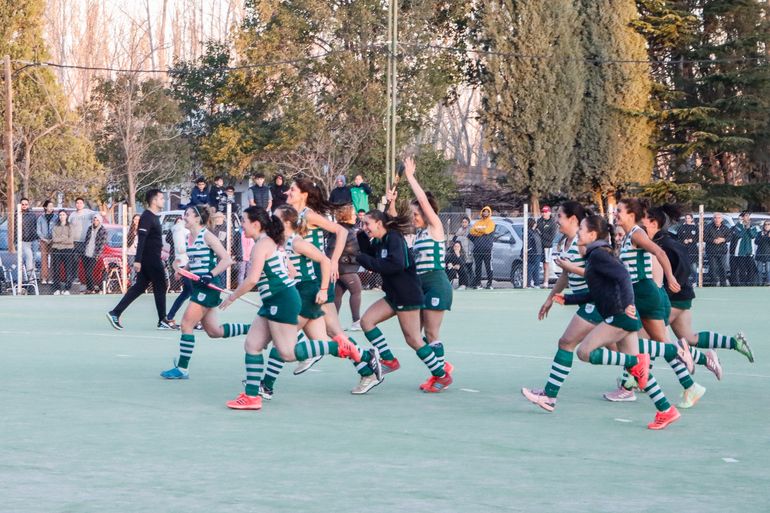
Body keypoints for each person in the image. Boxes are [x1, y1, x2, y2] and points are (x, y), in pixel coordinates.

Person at [219, 207, 365, 410]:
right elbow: (290, 270)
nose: (241, 225)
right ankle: (252, 396)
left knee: (286, 353)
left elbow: (252, 279)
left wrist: (232, 296)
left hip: (281, 300)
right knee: (252, 345)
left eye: (243, 220)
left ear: (256, 224)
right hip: (275, 299)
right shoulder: (272, 243)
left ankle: (338, 347)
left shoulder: (262, 245)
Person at [557, 215, 681, 430]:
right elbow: (596, 293)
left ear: (593, 235)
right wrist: (567, 299)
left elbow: (624, 276)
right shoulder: (596, 255)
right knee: (640, 373)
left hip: (620, 315)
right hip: (623, 315)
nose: (578, 233)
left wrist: (629, 305)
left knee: (584, 352)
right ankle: (666, 410)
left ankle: (643, 361)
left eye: (582, 230)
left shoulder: (598, 255)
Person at [643, 205, 754, 399]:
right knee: (689, 337)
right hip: (680, 296)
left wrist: (670, 285)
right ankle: (734, 343)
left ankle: (636, 380)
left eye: (642, 219)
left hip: (675, 297)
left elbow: (684, 267)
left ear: (654, 223)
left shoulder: (665, 244)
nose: (638, 223)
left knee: (651, 336)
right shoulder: (660, 241)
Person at [355, 209, 453, 394]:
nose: (365, 227)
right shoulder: (379, 240)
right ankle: (389, 360)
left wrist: (363, 259)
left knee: (414, 339)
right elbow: (369, 253)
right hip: (393, 295)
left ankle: (441, 375)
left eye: (367, 224)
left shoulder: (394, 238)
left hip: (407, 294)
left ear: (379, 223)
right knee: (366, 322)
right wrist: (360, 236)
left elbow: (395, 264)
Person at [604, 197, 683, 401]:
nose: (615, 213)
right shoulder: (629, 235)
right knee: (652, 343)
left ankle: (628, 387)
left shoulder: (637, 234)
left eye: (619, 210)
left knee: (632, 340)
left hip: (642, 292)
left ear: (631, 215)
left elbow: (659, 251)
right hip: (636, 293)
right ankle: (689, 383)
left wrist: (670, 276)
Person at [159, 205, 246, 379]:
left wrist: (210, 274)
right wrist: (183, 269)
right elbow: (195, 259)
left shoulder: (207, 235)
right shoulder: (190, 237)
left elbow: (227, 259)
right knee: (214, 331)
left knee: (186, 324)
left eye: (188, 214)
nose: (184, 216)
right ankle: (254, 329)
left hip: (208, 286)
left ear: (198, 218)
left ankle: (182, 369)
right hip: (199, 285)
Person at [401, 156, 454, 390]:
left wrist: (410, 177)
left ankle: (441, 376)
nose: (414, 217)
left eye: (416, 213)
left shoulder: (435, 227)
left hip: (436, 283)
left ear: (426, 212)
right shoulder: (421, 234)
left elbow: (422, 200)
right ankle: (441, 366)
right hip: (420, 285)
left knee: (432, 334)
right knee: (416, 336)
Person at [107, 189, 174, 330]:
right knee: (160, 285)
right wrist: (138, 260)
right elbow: (142, 238)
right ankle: (162, 319)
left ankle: (115, 313)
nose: (164, 200)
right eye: (161, 198)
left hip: (151, 257)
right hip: (150, 259)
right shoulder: (147, 217)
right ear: (154, 201)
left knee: (140, 287)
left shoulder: (154, 217)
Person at [332, 203, 364, 331]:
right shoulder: (343, 230)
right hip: (346, 268)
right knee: (356, 291)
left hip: (343, 267)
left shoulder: (347, 229)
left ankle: (333, 323)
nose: (355, 215)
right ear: (346, 215)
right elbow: (338, 249)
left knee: (337, 295)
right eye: (352, 213)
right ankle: (356, 321)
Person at [165, 217, 192, 329]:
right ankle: (194, 321)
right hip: (184, 263)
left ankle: (169, 317)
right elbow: (181, 248)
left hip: (186, 263)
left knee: (186, 293)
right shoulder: (180, 230)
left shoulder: (184, 230)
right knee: (193, 292)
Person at [68, 197, 96, 284]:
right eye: (77, 203)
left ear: (83, 204)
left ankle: (87, 281)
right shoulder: (72, 215)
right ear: (75, 204)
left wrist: (101, 213)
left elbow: (96, 215)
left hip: (85, 242)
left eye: (80, 203)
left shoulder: (88, 212)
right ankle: (75, 278)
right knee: (75, 260)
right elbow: (68, 226)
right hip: (75, 242)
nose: (79, 204)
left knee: (85, 262)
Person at [731, 211, 760, 286]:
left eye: (748, 216)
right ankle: (742, 284)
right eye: (746, 216)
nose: (748, 217)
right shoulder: (737, 226)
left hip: (749, 252)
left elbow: (753, 236)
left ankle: (749, 284)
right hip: (740, 252)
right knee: (742, 270)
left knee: (751, 270)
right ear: (742, 217)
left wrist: (749, 228)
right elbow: (738, 235)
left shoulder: (753, 226)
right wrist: (745, 228)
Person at [469, 206, 495, 289]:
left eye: (487, 212)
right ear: (482, 212)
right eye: (484, 211)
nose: (485, 213)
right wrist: (481, 230)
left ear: (489, 213)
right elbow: (472, 231)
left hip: (487, 249)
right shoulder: (478, 222)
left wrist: (478, 230)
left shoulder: (491, 222)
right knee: (477, 267)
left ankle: (489, 283)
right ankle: (478, 283)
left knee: (488, 266)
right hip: (477, 249)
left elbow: (487, 231)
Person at [51, 210, 75, 295]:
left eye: (63, 215)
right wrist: (64, 237)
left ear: (66, 216)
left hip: (67, 249)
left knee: (68, 269)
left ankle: (67, 289)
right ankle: (57, 289)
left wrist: (60, 239)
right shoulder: (55, 226)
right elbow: (54, 239)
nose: (62, 216)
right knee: (56, 269)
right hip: (56, 249)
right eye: (60, 215)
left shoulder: (70, 226)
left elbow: (71, 240)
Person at [704, 213, 731, 286]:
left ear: (721, 219)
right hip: (711, 251)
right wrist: (713, 240)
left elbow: (729, 237)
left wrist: (723, 239)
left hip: (722, 251)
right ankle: (713, 283)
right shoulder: (708, 227)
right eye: (715, 218)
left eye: (719, 218)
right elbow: (704, 238)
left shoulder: (725, 228)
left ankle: (723, 283)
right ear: (713, 219)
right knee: (713, 268)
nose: (717, 219)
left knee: (723, 268)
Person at [82, 215, 107, 294]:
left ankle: (92, 288)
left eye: (97, 220)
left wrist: (97, 254)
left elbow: (102, 244)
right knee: (86, 271)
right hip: (86, 252)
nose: (95, 221)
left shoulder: (103, 230)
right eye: (94, 220)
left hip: (94, 253)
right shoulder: (90, 228)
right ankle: (89, 288)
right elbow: (86, 239)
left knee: (89, 271)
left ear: (100, 221)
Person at [536, 205, 558, 286]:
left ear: (549, 213)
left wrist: (541, 233)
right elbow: (536, 231)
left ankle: (546, 282)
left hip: (547, 246)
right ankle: (535, 281)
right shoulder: (539, 221)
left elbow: (551, 237)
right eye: (543, 212)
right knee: (536, 264)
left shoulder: (552, 223)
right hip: (538, 246)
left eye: (545, 212)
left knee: (546, 265)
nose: (544, 214)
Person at [36, 200, 56, 284]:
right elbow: (38, 230)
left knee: (52, 259)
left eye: (52, 206)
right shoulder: (41, 218)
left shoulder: (56, 217)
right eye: (49, 206)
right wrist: (43, 239)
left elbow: (57, 229)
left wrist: (52, 238)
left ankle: (51, 278)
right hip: (43, 241)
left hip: (53, 240)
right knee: (44, 259)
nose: (51, 207)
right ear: (45, 207)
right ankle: (44, 278)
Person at [18, 197, 38, 275]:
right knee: (29, 257)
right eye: (22, 204)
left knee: (33, 258)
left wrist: (37, 237)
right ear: (20, 205)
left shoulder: (32, 214)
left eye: (26, 204)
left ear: (28, 205)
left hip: (34, 239)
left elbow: (35, 226)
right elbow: (14, 228)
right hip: (24, 240)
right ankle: (31, 278)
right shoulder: (17, 214)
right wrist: (16, 241)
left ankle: (31, 275)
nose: (24, 206)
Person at [453, 216, 474, 290]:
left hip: (469, 251)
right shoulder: (460, 230)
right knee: (462, 268)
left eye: (465, 222)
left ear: (468, 223)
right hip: (461, 252)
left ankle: (471, 283)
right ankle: (462, 283)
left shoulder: (471, 230)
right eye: (463, 222)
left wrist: (466, 234)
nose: (464, 224)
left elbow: (472, 239)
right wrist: (459, 234)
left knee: (469, 267)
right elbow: (454, 239)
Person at [677, 213, 699, 280]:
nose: (687, 219)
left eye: (689, 218)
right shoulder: (681, 228)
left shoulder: (695, 228)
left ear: (692, 219)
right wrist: (683, 241)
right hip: (684, 250)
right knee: (685, 266)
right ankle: (686, 281)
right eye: (686, 218)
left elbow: (698, 238)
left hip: (693, 250)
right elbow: (678, 238)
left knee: (693, 267)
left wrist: (692, 240)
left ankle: (695, 281)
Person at [525, 217, 544, 288]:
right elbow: (529, 243)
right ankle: (529, 283)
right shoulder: (528, 232)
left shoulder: (536, 231)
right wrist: (530, 250)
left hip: (538, 252)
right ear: (532, 223)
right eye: (535, 222)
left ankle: (536, 283)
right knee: (530, 268)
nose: (536, 224)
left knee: (536, 268)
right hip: (533, 253)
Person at [126, 214, 140, 283]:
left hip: (139, 252)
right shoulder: (129, 229)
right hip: (131, 252)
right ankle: (133, 284)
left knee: (139, 268)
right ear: (133, 220)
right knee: (132, 268)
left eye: (138, 219)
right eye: (135, 219)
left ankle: (139, 284)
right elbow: (127, 242)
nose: (137, 221)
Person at [756, 221, 770, 285]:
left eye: (768, 224)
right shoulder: (760, 233)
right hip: (760, 254)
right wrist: (762, 236)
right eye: (765, 224)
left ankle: (768, 282)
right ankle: (760, 283)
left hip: (768, 255)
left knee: (768, 270)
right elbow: (756, 242)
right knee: (759, 270)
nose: (767, 225)